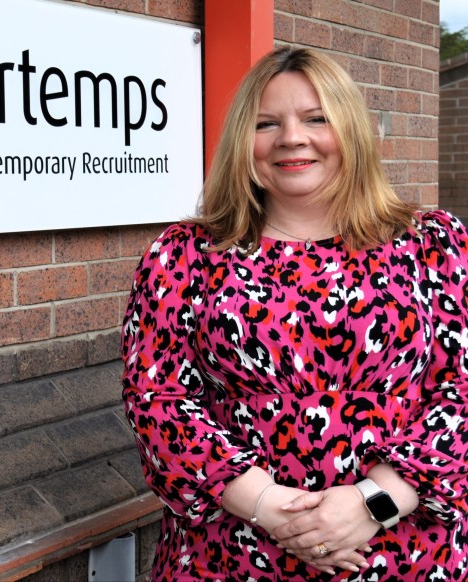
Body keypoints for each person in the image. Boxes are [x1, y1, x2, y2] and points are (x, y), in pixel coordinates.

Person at [121, 46, 468, 581]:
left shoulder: (433, 244)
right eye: (266, 124)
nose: (291, 138)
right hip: (231, 555)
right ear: (242, 140)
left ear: (352, 129)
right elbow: (157, 399)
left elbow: (461, 391)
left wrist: (373, 502)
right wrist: (276, 511)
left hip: (407, 552)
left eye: (316, 118)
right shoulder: (185, 255)